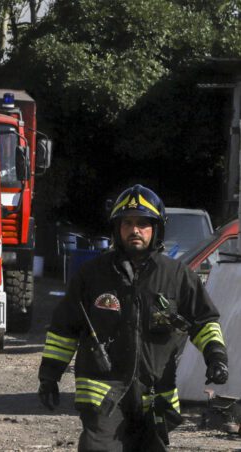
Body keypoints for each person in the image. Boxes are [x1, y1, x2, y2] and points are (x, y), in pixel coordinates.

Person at [37, 184, 229, 451]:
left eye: (142, 224)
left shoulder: (177, 276)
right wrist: (49, 376)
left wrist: (216, 357)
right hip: (104, 396)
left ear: (156, 229)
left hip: (155, 398)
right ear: (117, 229)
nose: (135, 230)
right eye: (127, 223)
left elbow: (204, 321)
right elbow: (64, 329)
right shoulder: (92, 275)